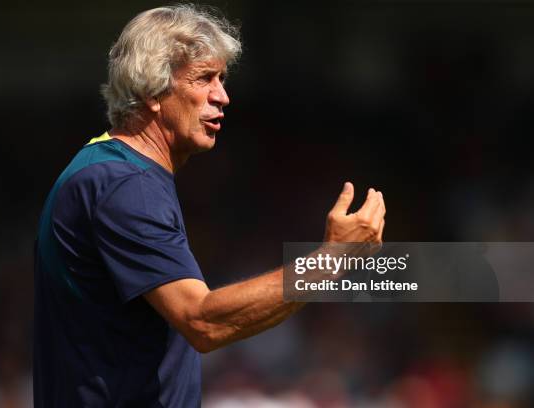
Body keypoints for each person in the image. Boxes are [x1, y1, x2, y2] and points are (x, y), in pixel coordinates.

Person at [33, 4, 386, 407]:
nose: (223, 96)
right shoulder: (125, 185)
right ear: (152, 91)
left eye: (222, 78)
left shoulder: (104, 167)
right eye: (204, 79)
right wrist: (329, 260)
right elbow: (202, 321)